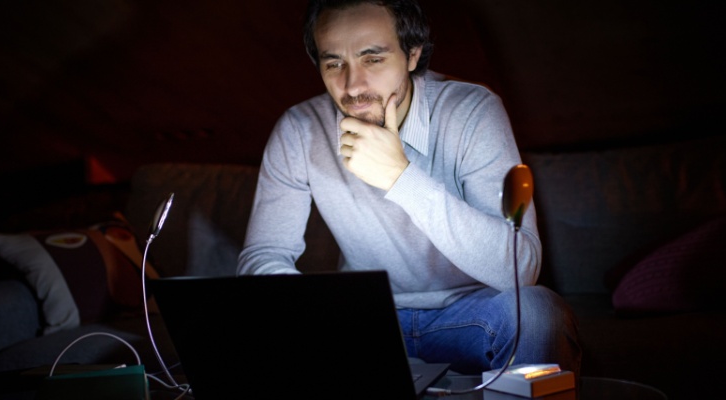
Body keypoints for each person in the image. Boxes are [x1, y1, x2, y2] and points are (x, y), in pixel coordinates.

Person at [238, 0, 581, 377]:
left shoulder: (472, 111)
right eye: (333, 62)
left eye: (373, 59)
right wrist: (322, 311)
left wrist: (401, 178)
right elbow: (263, 258)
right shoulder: (300, 129)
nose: (352, 85)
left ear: (413, 54)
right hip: (364, 320)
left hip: (472, 314)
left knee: (537, 313)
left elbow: (520, 270)